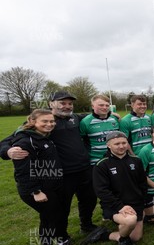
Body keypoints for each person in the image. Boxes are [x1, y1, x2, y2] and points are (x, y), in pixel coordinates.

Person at [2, 91, 98, 233]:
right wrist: (7, 151)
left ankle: (87, 225)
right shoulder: (44, 121)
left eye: (70, 104)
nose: (67, 106)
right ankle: (62, 235)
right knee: (62, 207)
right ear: (51, 103)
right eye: (62, 103)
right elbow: (10, 139)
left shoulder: (76, 118)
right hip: (62, 174)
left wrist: (109, 115)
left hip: (84, 169)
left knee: (89, 200)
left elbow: (92, 117)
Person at [12, 109, 74, 245]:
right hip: (38, 189)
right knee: (50, 216)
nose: (49, 124)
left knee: (57, 214)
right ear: (33, 122)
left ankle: (62, 239)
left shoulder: (44, 136)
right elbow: (22, 170)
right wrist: (35, 191)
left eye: (52, 121)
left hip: (53, 185)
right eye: (44, 121)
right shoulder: (26, 141)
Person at [89, 131, 146, 245]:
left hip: (135, 203)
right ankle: (123, 240)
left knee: (136, 237)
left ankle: (104, 234)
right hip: (115, 206)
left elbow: (142, 184)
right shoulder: (101, 165)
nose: (121, 146)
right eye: (117, 144)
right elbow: (101, 191)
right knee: (130, 221)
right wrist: (120, 207)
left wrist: (142, 202)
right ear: (109, 145)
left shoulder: (136, 160)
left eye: (124, 143)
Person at [79, 94, 121, 165]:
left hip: (115, 158)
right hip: (95, 161)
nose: (105, 107)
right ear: (92, 106)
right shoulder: (85, 122)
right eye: (101, 105)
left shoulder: (114, 119)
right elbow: (81, 141)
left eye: (107, 105)